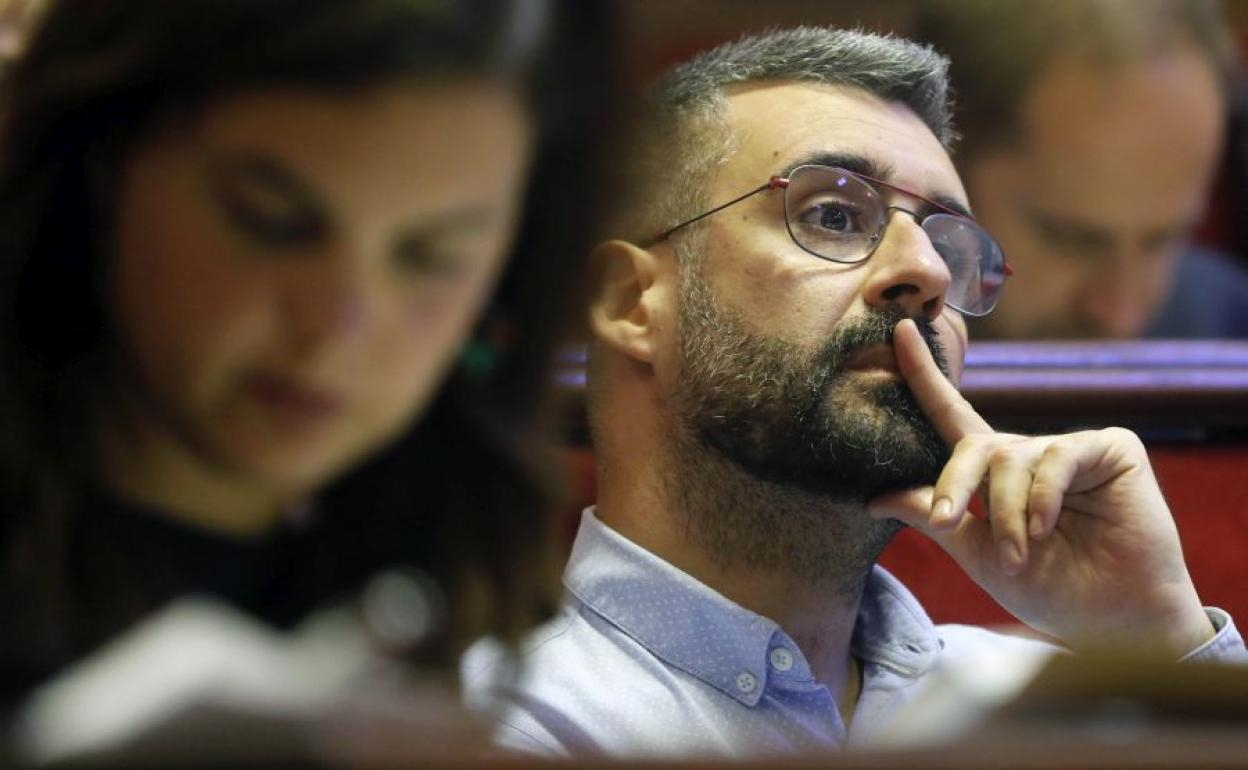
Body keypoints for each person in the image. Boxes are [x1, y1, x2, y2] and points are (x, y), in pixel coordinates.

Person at [462, 27, 1248, 758]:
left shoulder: (1037, 705)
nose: (930, 274)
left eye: (950, 244)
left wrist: (1157, 642)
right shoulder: (488, 729)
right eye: (835, 215)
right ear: (633, 303)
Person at [0, 0, 613, 706]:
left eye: (433, 257)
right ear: (107, 163)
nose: (335, 329)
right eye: (272, 221)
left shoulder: (461, 575)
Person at [915, 0, 1248, 339]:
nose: (1122, 316)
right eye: (1072, 240)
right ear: (941, 159)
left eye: (1162, 240)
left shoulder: (1228, 330)